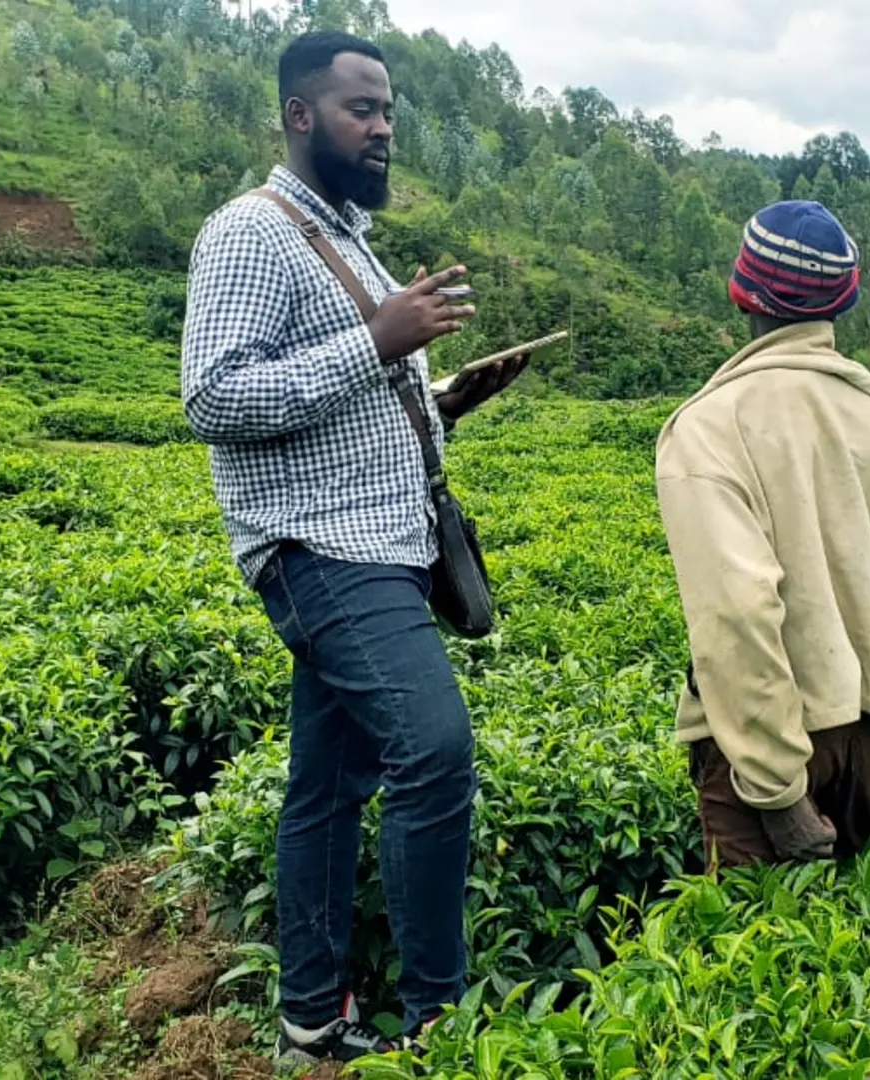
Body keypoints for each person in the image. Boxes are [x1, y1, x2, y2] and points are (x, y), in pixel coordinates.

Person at [179, 29, 528, 1064]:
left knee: (328, 791)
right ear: (300, 117)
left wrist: (444, 397)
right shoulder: (252, 233)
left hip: (379, 535)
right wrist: (381, 339)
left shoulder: (347, 237)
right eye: (359, 111)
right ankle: (438, 1023)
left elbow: (346, 399)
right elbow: (213, 396)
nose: (381, 130)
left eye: (387, 114)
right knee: (435, 751)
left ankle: (310, 1023)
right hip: (320, 548)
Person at [654, 199, 870, 871]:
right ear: (843, 300)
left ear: (741, 294)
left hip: (771, 754)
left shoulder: (708, 428)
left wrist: (776, 789)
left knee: (762, 959)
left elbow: (738, 615)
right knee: (857, 955)